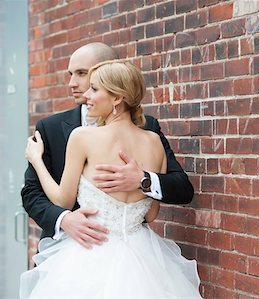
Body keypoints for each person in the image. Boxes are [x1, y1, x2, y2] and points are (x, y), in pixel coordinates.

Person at [20, 60, 201, 298]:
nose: (86, 95)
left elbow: (63, 201)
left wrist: (37, 160)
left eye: (94, 88)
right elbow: (151, 214)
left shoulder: (83, 136)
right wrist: (140, 184)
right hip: (145, 259)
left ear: (117, 98)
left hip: (89, 253)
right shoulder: (153, 141)